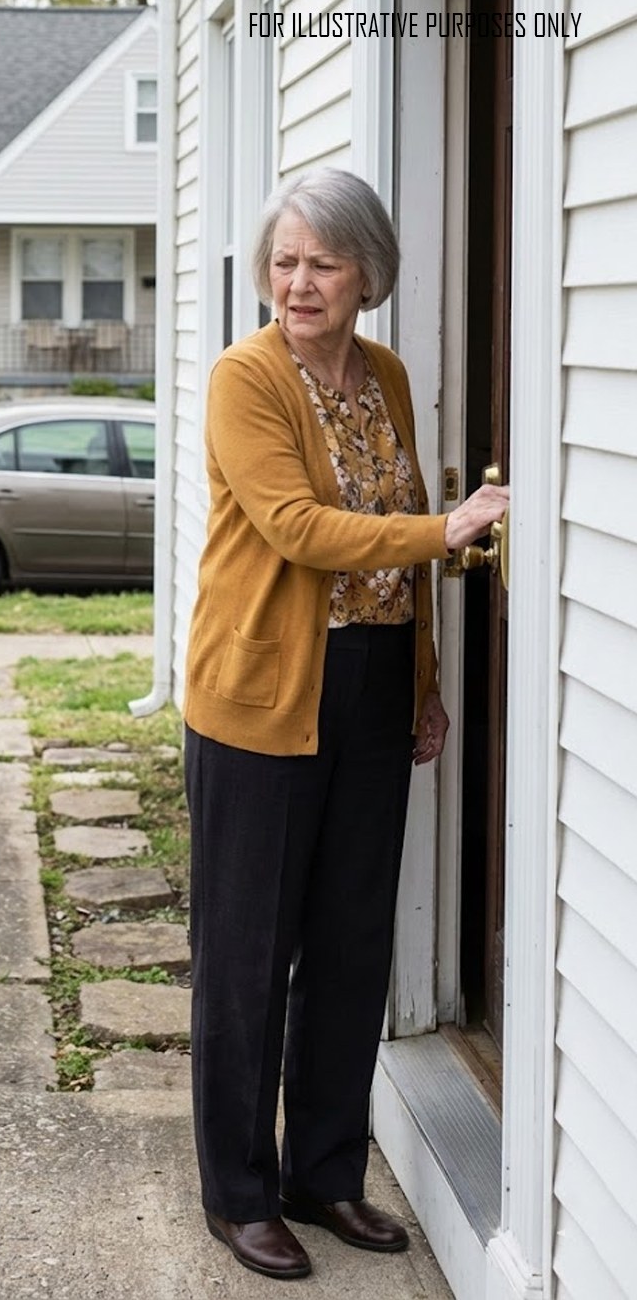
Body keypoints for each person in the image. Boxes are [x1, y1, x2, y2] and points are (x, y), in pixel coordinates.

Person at [183, 168, 509, 1280]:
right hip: (263, 695)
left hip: (369, 684)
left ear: (369, 271)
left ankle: (325, 1174)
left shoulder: (386, 375)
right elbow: (300, 527)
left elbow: (396, 548)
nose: (299, 283)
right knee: (247, 954)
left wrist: (421, 680)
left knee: (353, 941)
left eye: (323, 262)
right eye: (284, 260)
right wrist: (447, 528)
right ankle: (238, 1192)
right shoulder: (246, 377)